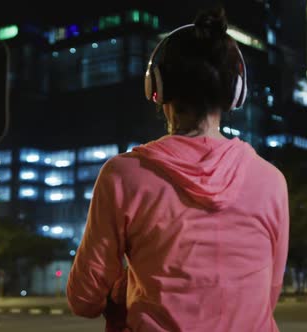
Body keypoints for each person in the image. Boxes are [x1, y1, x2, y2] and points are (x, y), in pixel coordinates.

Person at [67, 7, 289, 332]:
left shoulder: (123, 176)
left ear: (156, 86)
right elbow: (268, 295)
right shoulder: (271, 181)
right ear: (235, 92)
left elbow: (84, 299)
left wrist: (126, 287)